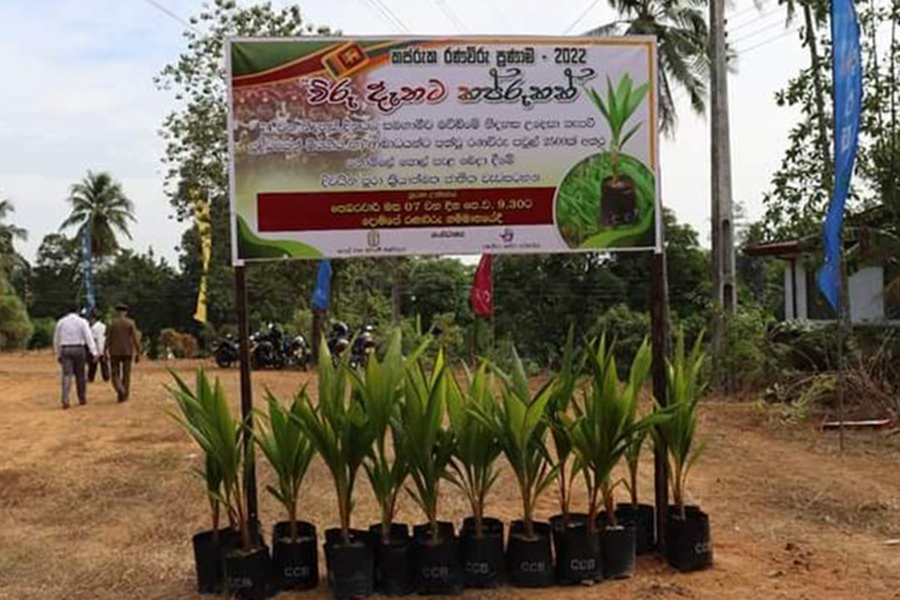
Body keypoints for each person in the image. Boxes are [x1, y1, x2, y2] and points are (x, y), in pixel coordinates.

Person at [53, 304, 98, 409]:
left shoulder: (61, 322)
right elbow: (88, 337)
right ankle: (82, 398)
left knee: (66, 375)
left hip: (65, 349)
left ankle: (65, 399)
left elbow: (56, 339)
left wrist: (58, 353)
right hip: (79, 349)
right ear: (77, 311)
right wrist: (94, 352)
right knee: (80, 375)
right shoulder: (82, 322)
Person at [105, 303, 141, 403]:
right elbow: (135, 338)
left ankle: (120, 391)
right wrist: (138, 352)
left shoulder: (112, 323)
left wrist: (104, 351)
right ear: (125, 312)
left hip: (114, 352)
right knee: (126, 375)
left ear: (117, 312)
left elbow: (107, 339)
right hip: (127, 351)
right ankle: (124, 395)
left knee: (115, 374)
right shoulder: (130, 323)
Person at [87, 308, 109, 383]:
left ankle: (90, 378)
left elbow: (96, 340)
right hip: (102, 348)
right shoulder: (104, 326)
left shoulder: (92, 328)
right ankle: (106, 378)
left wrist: (97, 352)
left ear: (93, 319)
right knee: (104, 365)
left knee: (92, 366)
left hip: (96, 349)